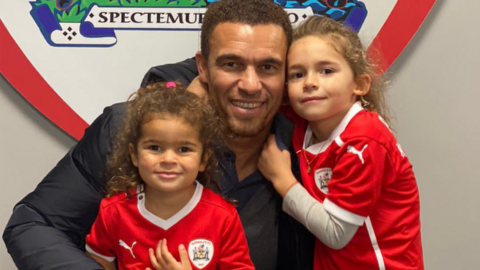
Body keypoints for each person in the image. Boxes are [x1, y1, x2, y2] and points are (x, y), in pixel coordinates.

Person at [3, 0, 314, 269]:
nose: (250, 83)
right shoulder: (128, 129)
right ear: (203, 67)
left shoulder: (311, 148)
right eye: (231, 64)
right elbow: (34, 225)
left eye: (268, 67)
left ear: (286, 72)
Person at [257, 16, 424, 270]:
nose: (310, 82)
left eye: (327, 71)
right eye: (298, 74)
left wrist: (282, 179)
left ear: (359, 84)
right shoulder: (305, 121)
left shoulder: (365, 139)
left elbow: (336, 233)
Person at [85, 82, 254, 270]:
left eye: (184, 149)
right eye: (155, 148)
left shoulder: (224, 218)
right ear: (134, 154)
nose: (168, 159)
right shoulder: (113, 212)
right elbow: (98, 260)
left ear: (203, 159)